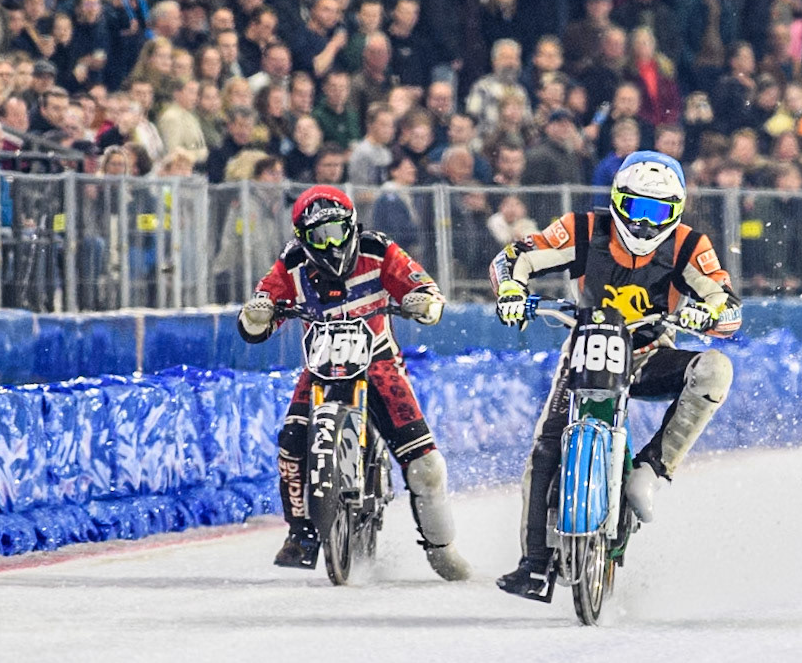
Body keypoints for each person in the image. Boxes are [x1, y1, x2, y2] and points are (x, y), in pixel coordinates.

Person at [488, 151, 742, 600]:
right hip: (584, 347)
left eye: (657, 212)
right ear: (617, 202)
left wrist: (709, 314)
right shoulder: (584, 228)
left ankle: (652, 466)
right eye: (636, 208)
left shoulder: (688, 245)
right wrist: (511, 290)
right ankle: (534, 564)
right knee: (546, 444)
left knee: (715, 369)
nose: (644, 224)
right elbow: (514, 258)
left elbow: (726, 301)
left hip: (648, 351)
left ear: (676, 213)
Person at [237, 185, 471, 581]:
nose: (330, 243)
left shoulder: (379, 250)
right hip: (320, 366)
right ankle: (300, 534)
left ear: (352, 226)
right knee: (290, 441)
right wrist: (258, 314)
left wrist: (422, 302)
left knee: (426, 466)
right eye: (318, 236)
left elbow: (425, 289)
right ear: (302, 238)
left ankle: (442, 548)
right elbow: (259, 313)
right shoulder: (290, 263)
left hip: (378, 362)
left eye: (337, 231)